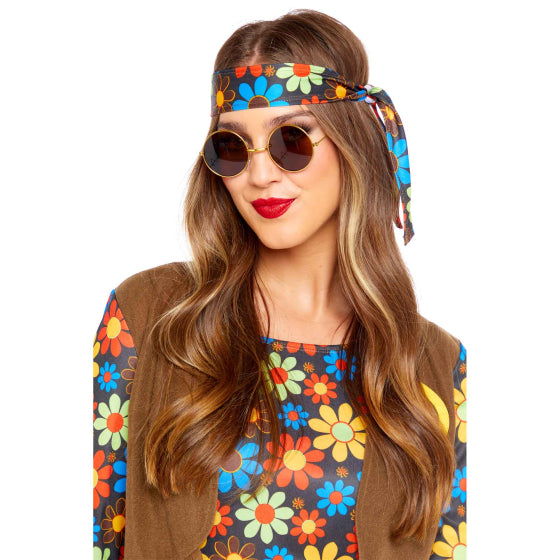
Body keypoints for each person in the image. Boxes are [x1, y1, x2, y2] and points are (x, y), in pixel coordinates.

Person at [93, 9, 466, 560]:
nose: (261, 174)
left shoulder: (436, 363)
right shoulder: (148, 317)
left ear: (355, 141)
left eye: (292, 139)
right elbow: (100, 533)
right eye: (232, 148)